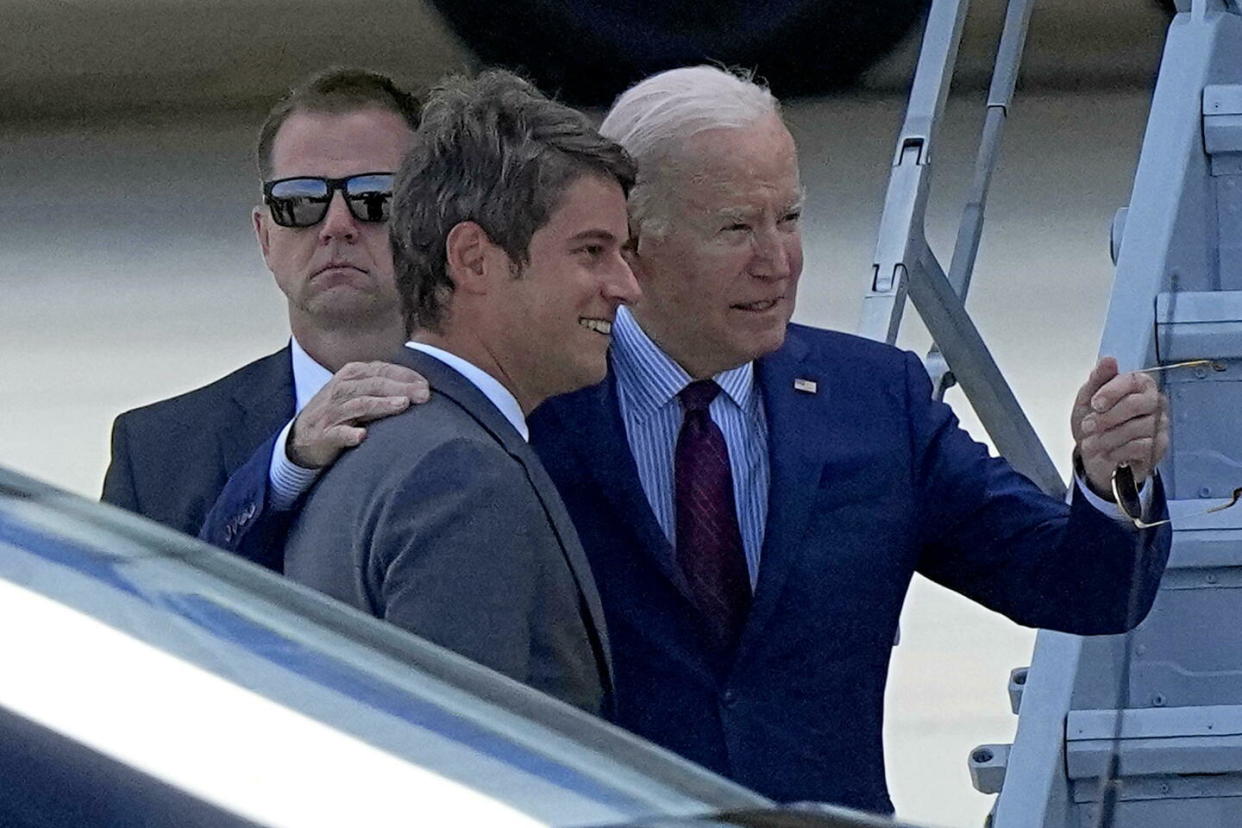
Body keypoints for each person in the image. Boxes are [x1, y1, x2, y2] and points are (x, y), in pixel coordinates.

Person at [204, 66, 1171, 813]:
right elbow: (213, 604)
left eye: (790, 218)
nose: (778, 260)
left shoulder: (873, 400)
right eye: (734, 228)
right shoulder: (529, 400)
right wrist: (288, 461)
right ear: (637, 239)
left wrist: (1109, 481)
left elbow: (1080, 586)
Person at [279, 70, 639, 713]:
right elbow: (464, 766)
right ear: (473, 258)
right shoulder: (458, 474)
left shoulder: (391, 445)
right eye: (591, 251)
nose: (624, 286)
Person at [101, 68, 429, 550]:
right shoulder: (155, 453)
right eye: (299, 202)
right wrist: (286, 468)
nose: (337, 226)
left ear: (436, 221)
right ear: (265, 237)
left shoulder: (546, 412)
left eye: (376, 198)